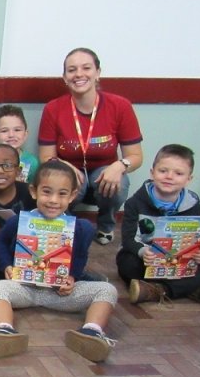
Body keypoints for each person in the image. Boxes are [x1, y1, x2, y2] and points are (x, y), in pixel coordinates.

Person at [0, 160, 119, 362]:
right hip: (25, 289)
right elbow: (0, 241)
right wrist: (7, 266)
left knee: (108, 290)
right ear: (34, 192)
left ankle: (91, 332)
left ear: (72, 196)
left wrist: (73, 277)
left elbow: (80, 256)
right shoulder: (19, 221)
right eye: (46, 192)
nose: (53, 200)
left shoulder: (80, 227)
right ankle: (3, 330)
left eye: (62, 194)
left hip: (60, 294)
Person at [38, 47, 144, 246]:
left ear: (98, 73)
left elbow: (136, 156)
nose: (79, 74)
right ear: (64, 77)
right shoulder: (53, 108)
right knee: (61, 178)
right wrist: (65, 168)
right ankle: (64, 225)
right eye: (72, 70)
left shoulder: (120, 106)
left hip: (104, 171)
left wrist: (119, 165)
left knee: (119, 183)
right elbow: (46, 157)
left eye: (86, 68)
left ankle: (105, 225)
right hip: (70, 169)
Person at [117, 144, 200, 305]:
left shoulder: (194, 206)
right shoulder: (135, 203)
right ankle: (192, 288)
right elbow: (128, 240)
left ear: (188, 179)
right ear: (152, 173)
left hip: (179, 263)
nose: (169, 177)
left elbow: (199, 240)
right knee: (125, 263)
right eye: (163, 171)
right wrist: (143, 251)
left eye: (178, 173)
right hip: (148, 260)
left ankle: (158, 290)